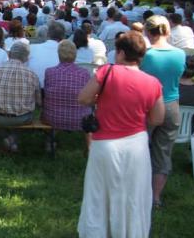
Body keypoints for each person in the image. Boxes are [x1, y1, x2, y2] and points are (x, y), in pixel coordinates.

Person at [77, 31, 165, 238]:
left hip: (105, 143)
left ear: (121, 52)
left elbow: (83, 98)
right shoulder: (152, 82)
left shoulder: (106, 72)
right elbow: (157, 119)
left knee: (99, 192)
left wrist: (99, 99)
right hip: (136, 144)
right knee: (133, 193)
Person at [141, 15, 186, 208]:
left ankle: (138, 190)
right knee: (163, 151)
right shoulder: (180, 54)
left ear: (147, 32)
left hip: (147, 105)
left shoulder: (147, 55)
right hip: (171, 105)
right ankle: (156, 197)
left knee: (140, 148)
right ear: (167, 31)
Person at [0, 42, 41, 152]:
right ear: (26, 58)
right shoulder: (32, 74)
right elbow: (38, 101)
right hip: (21, 118)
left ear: (10, 54)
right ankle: (11, 139)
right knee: (27, 114)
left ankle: (5, 139)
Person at [42, 41, 91, 147]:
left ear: (58, 54)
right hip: (80, 120)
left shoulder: (49, 72)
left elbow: (46, 93)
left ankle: (50, 141)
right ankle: (89, 147)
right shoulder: (85, 73)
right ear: (75, 55)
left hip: (53, 118)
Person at [28, 21, 65, 88]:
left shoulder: (32, 48)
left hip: (34, 88)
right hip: (51, 89)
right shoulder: (66, 52)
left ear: (48, 34)